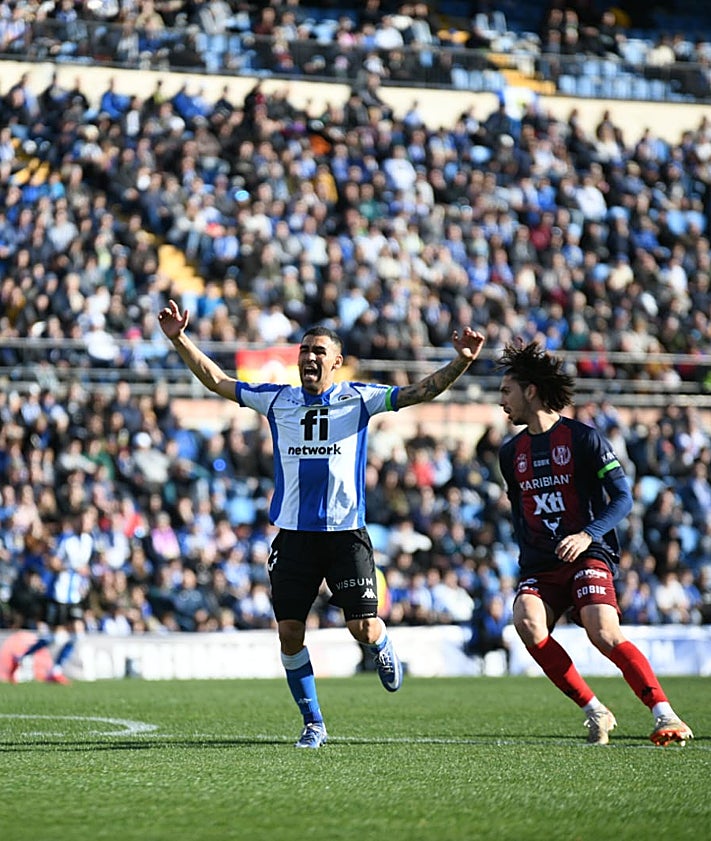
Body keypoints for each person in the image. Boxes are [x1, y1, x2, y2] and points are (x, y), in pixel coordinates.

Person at [158, 298, 485, 748]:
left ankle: (381, 644)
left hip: (345, 535)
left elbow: (418, 393)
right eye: (304, 350)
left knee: (363, 628)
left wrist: (461, 362)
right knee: (290, 634)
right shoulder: (278, 400)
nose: (309, 358)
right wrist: (179, 338)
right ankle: (313, 722)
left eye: (319, 352)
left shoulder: (359, 399)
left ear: (337, 361)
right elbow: (217, 380)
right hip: (294, 537)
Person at [496, 339, 693, 747]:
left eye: (506, 391)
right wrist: (528, 559)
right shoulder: (510, 453)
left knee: (603, 632)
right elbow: (521, 512)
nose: (502, 402)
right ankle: (595, 710)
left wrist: (587, 533)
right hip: (541, 565)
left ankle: (664, 713)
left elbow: (623, 498)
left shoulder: (583, 439)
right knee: (528, 624)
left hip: (586, 553)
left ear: (530, 391)